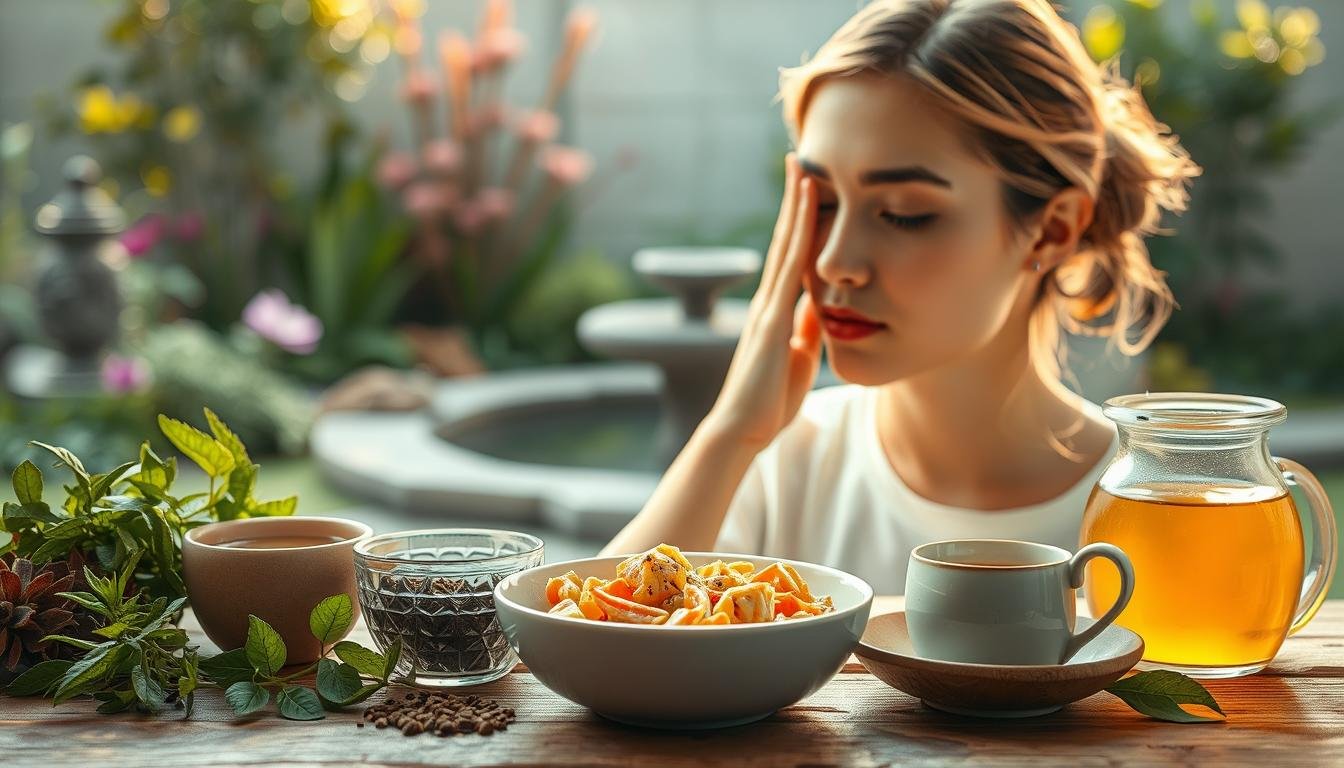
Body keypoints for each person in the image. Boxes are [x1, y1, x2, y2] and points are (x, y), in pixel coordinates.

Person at [602, 0, 1199, 594]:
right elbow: (580, 631)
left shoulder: (1153, 506)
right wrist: (730, 434)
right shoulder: (778, 466)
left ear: (1053, 229)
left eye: (902, 213)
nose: (834, 261)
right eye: (822, 203)